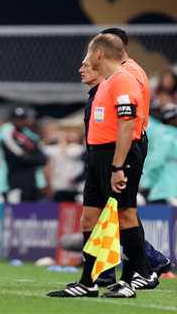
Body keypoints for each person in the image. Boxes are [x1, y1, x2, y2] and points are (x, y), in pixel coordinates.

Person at [48, 34, 152, 298]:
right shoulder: (108, 82)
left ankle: (134, 278)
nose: (86, 58)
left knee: (124, 214)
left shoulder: (124, 79)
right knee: (89, 217)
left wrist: (118, 166)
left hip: (116, 155)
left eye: (89, 52)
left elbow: (127, 124)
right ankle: (88, 281)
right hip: (98, 155)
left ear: (99, 54)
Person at [99, 28, 172, 280]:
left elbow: (127, 118)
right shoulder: (133, 70)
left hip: (127, 144)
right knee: (120, 210)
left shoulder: (125, 73)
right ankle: (144, 264)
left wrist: (118, 160)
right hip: (129, 142)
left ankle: (145, 265)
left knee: (120, 210)